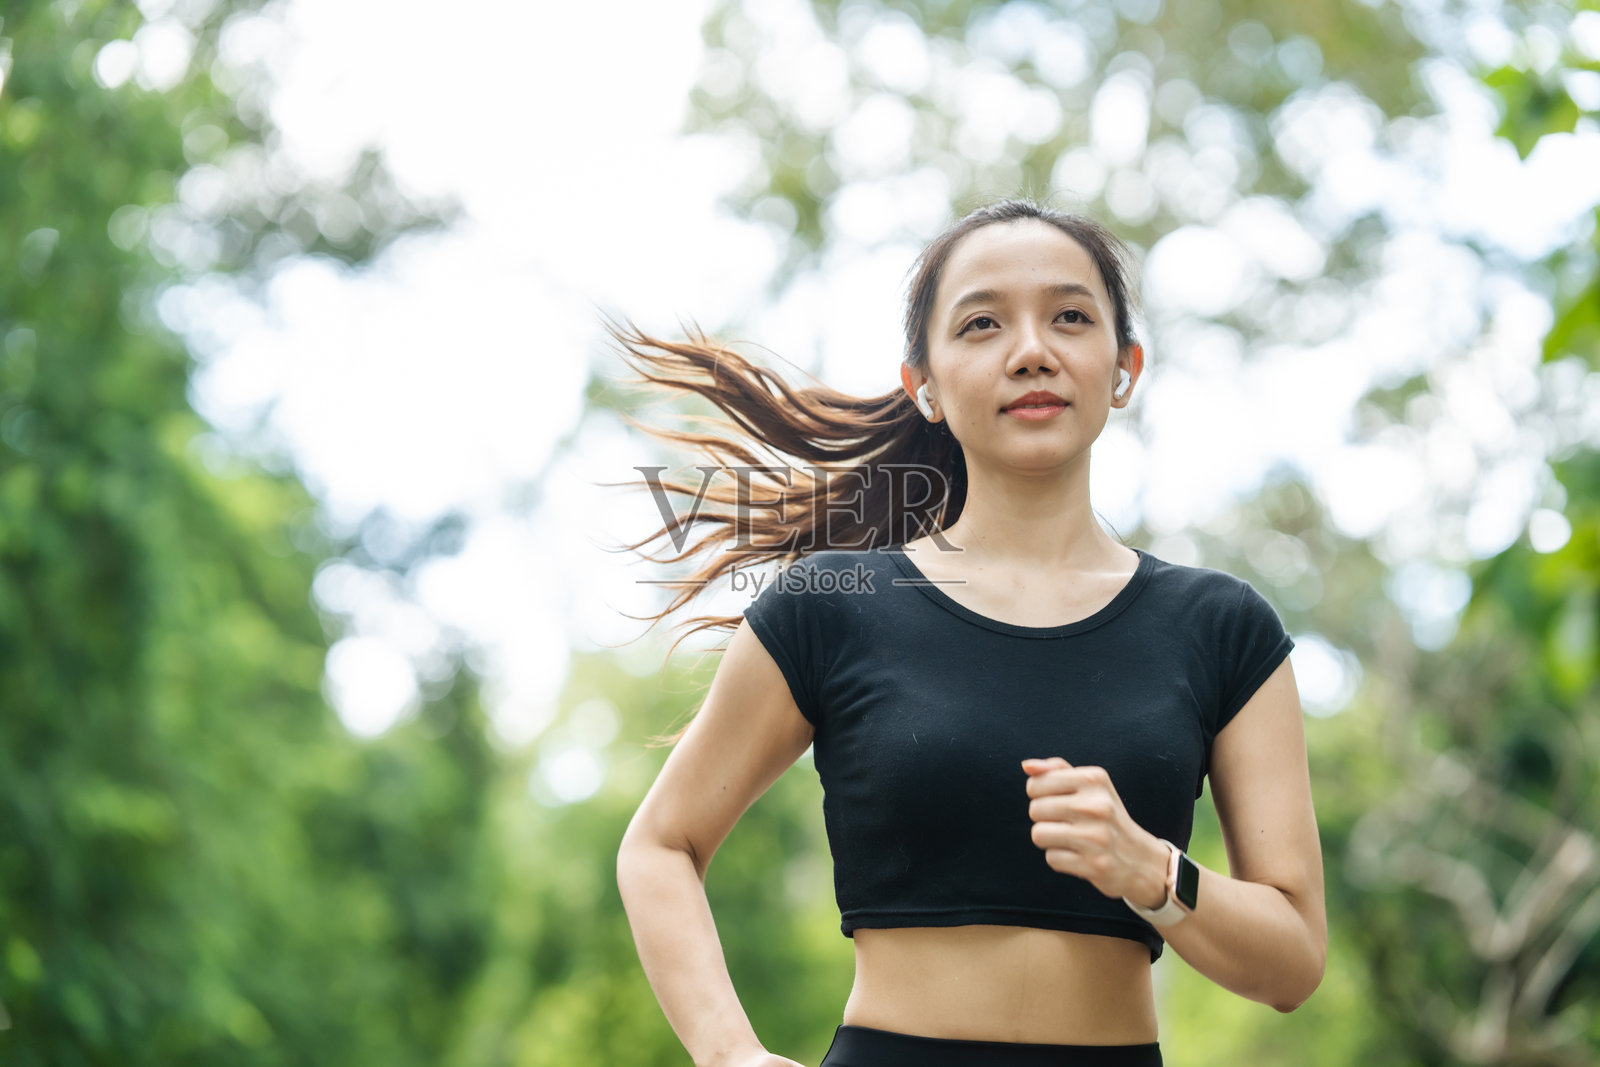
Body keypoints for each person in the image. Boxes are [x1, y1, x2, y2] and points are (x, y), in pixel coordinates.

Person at [614, 198, 1326, 1067]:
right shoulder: (831, 605)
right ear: (927, 385)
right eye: (983, 323)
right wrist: (730, 1053)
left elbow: (1293, 961)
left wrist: (1151, 870)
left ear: (1124, 367)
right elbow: (660, 843)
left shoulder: (1223, 629)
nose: (1032, 350)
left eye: (1070, 315)